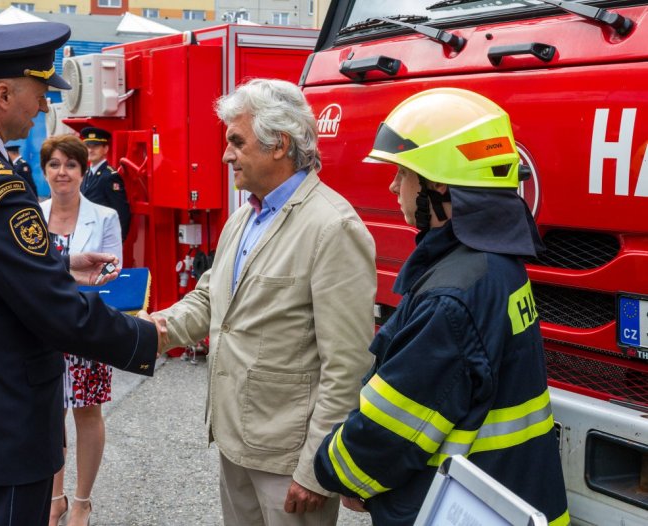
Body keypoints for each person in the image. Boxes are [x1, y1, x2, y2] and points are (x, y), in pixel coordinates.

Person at [0, 22, 160, 526]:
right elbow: (55, 308)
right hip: (4, 428)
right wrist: (149, 336)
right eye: (40, 93)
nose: (44, 107)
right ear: (3, 93)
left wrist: (60, 263)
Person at [313, 88, 570, 526]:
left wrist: (336, 473)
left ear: (438, 185)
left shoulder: (452, 297)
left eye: (403, 172)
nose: (393, 185)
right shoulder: (497, 264)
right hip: (505, 499)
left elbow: (388, 431)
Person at [151, 79, 376, 526]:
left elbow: (346, 365)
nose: (225, 154)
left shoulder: (332, 228)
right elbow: (211, 300)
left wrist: (315, 469)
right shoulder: (244, 216)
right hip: (236, 442)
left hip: (288, 459)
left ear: (280, 145)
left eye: (236, 141)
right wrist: (146, 330)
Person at [38, 134, 122, 526]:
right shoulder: (31, 217)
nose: (62, 172)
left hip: (86, 329)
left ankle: (83, 502)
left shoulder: (104, 217)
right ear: (44, 172)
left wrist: (78, 285)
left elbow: (111, 276)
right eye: (54, 164)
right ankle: (54, 497)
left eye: (70, 165)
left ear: (83, 172)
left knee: (87, 413)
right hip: (40, 332)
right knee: (49, 414)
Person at [80, 127, 132, 241]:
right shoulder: (85, 174)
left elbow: (122, 212)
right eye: (88, 146)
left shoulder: (110, 176)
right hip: (86, 236)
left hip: (103, 237)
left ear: (105, 149)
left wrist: (117, 241)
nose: (90, 150)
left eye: (95, 146)